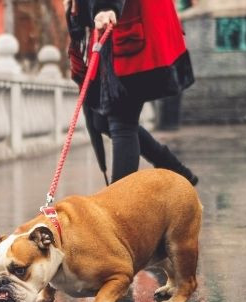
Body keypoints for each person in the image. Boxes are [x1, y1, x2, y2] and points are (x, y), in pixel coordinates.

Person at [66, 0, 198, 185]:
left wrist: (106, 6)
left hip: (129, 25)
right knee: (101, 121)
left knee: (122, 120)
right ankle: (175, 170)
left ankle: (119, 207)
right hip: (117, 28)